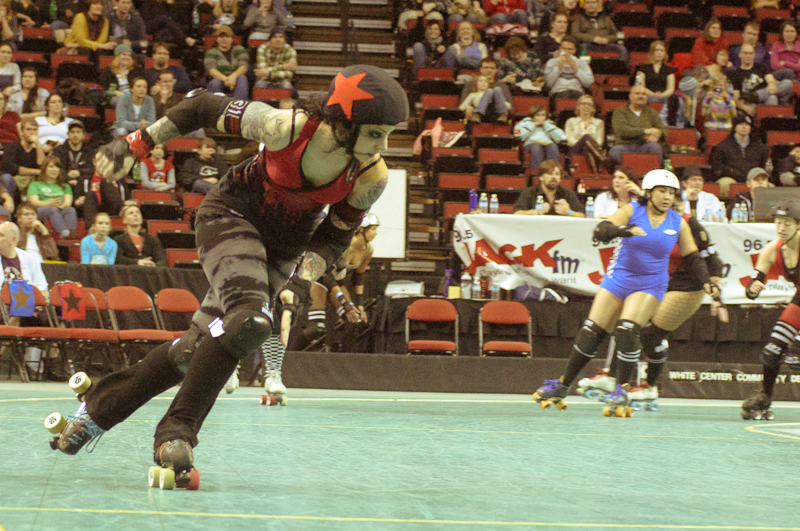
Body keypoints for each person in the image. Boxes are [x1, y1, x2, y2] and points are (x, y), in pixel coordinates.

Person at [49, 65, 408, 488]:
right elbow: (201, 105)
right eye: (376, 134)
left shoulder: (371, 175)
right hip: (231, 214)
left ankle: (93, 414)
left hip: (282, 249)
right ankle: (175, 435)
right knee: (250, 320)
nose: (383, 146)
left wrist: (299, 277)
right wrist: (136, 144)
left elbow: (332, 238)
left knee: (197, 350)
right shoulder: (285, 127)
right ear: (342, 123)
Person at [532, 170, 718, 412]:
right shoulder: (633, 210)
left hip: (650, 284)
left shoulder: (678, 222)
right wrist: (624, 231)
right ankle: (563, 384)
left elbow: (693, 256)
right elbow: (601, 230)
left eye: (671, 193)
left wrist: (706, 280)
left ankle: (621, 389)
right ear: (649, 193)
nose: (667, 198)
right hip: (618, 279)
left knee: (627, 330)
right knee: (591, 332)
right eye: (662, 191)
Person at [582, 193, 727, 404]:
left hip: (687, 286)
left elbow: (712, 261)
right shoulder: (647, 218)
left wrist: (717, 297)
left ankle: (650, 387)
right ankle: (612, 377)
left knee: (650, 334)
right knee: (627, 325)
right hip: (657, 282)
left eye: (675, 206)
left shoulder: (688, 224)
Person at [742, 199, 800, 420]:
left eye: (787, 223)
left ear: (798, 225)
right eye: (778, 223)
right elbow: (753, 285)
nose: (781, 228)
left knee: (796, 355)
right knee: (772, 351)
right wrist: (753, 289)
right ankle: (765, 398)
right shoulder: (772, 249)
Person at [0, 221, 50, 376]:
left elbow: (42, 286)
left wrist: (42, 295)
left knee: (56, 315)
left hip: (29, 306)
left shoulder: (29, 258)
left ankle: (50, 367)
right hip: (3, 306)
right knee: (16, 311)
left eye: (1, 235)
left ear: (13, 239)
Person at [709, 113, 768, 197]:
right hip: (731, 177)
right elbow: (717, 167)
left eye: (747, 125)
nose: (744, 127)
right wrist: (734, 173)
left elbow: (763, 165)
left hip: (754, 177)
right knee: (725, 184)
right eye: (741, 124)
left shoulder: (760, 146)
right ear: (735, 127)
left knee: (770, 186)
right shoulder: (723, 146)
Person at [608, 84, 667, 167]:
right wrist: (646, 131)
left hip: (645, 146)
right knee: (615, 151)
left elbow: (664, 131)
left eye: (643, 94)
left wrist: (658, 134)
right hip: (625, 146)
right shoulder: (620, 111)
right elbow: (623, 131)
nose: (640, 96)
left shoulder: (652, 112)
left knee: (655, 147)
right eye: (637, 93)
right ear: (630, 96)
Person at [731, 44, 793, 116]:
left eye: (750, 53)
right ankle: (774, 117)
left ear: (754, 55)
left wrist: (772, 84)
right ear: (740, 54)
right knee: (772, 97)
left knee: (788, 83)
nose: (748, 56)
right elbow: (735, 97)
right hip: (750, 102)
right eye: (745, 53)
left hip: (763, 97)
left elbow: (770, 79)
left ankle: (758, 96)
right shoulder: (735, 74)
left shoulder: (760, 67)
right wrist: (745, 107)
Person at [633, 40, 685, 128]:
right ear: (652, 52)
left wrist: (662, 95)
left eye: (662, 51)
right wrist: (653, 94)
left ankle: (675, 126)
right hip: (647, 95)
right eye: (657, 50)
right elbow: (639, 85)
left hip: (664, 96)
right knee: (647, 98)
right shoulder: (642, 68)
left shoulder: (669, 70)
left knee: (678, 101)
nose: (659, 53)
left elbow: (671, 89)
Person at [27, 156, 77, 239]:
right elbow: (33, 202)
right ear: (44, 169)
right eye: (51, 166)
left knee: (70, 210)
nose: (55, 169)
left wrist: (60, 205)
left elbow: (68, 203)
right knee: (52, 209)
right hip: (41, 210)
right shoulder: (35, 184)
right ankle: (64, 232)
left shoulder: (65, 186)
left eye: (57, 167)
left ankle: (72, 235)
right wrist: (49, 203)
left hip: (60, 208)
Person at [512, 160, 584, 216]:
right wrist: (537, 211)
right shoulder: (529, 192)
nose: (553, 177)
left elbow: (582, 215)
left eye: (557, 174)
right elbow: (516, 214)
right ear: (541, 177)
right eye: (550, 174)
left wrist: (569, 212)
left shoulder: (568, 193)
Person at [53, 120, 93, 213]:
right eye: (73, 132)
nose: (75, 135)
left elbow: (93, 168)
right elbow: (55, 167)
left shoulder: (90, 151)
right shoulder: (59, 150)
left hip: (83, 183)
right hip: (63, 182)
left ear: (83, 135)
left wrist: (79, 173)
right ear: (68, 134)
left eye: (78, 132)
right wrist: (68, 177)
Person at [0, 116, 44, 199]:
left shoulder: (37, 150)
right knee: (6, 178)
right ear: (22, 131)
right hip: (14, 182)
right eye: (28, 129)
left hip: (32, 183)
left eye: (34, 130)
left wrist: (38, 144)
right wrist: (37, 171)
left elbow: (42, 165)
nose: (32, 132)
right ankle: (8, 210)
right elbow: (11, 168)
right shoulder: (12, 146)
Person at [82, 152, 128, 227]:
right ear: (94, 162)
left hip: (112, 209)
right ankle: (92, 230)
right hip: (92, 209)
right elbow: (76, 201)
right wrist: (79, 200)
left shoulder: (119, 180)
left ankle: (122, 210)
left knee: (106, 181)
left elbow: (127, 198)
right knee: (90, 195)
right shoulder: (85, 180)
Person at [204, 25, 249, 101]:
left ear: (232, 39)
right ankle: (218, 108)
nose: (224, 39)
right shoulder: (211, 52)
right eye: (221, 37)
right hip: (219, 79)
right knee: (215, 82)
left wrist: (233, 77)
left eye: (227, 36)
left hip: (236, 79)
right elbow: (212, 70)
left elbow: (243, 67)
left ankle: (238, 106)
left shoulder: (240, 49)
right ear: (217, 39)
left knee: (242, 78)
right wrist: (226, 80)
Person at [113, 202, 166, 267]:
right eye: (131, 213)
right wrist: (138, 262)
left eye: (138, 212)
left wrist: (153, 264)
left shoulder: (152, 239)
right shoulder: (119, 239)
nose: (135, 215)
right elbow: (118, 259)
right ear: (124, 220)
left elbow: (162, 260)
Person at [543, 36, 593, 102]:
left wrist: (576, 69)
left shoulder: (582, 63)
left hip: (577, 92)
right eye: (564, 49)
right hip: (558, 92)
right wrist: (558, 68)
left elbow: (589, 83)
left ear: (574, 50)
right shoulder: (552, 62)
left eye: (570, 49)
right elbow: (548, 84)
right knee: (563, 96)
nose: (567, 52)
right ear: (560, 49)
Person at [513, 105, 564, 170]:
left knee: (553, 146)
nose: (540, 117)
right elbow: (518, 135)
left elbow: (561, 137)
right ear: (533, 115)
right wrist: (533, 125)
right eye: (538, 115)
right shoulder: (524, 122)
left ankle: (552, 170)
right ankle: (537, 171)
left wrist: (546, 126)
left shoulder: (549, 123)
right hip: (531, 144)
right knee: (536, 146)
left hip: (547, 145)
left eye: (543, 115)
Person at [564, 94, 606, 173]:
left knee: (587, 148)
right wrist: (582, 141)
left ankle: (593, 171)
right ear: (578, 106)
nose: (586, 106)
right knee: (586, 137)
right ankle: (600, 161)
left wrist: (586, 144)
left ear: (593, 109)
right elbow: (568, 139)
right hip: (574, 149)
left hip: (590, 152)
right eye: (583, 104)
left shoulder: (599, 123)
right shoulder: (571, 121)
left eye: (589, 105)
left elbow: (599, 142)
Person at [254, 27, 297, 97]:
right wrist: (283, 67)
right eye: (274, 37)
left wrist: (269, 73)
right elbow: (262, 72)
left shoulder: (291, 51)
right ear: (270, 40)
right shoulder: (262, 49)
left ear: (284, 40)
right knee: (260, 84)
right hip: (265, 81)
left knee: (287, 85)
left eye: (281, 37)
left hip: (282, 81)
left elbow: (289, 74)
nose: (278, 40)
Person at [100, 43, 145, 108]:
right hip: (117, 99)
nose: (127, 57)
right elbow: (104, 90)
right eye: (124, 54)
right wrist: (115, 92)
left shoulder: (136, 72)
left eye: (129, 55)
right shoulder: (108, 72)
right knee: (118, 100)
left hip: (133, 98)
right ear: (117, 56)